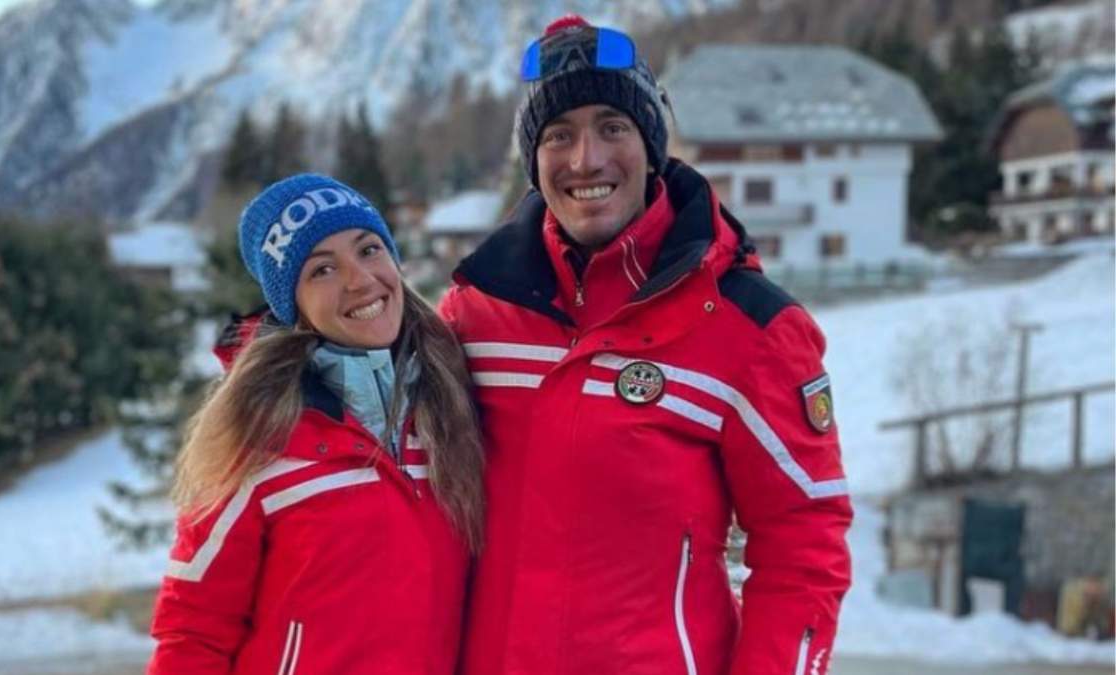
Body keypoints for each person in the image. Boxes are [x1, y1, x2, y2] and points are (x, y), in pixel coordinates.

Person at [439, 15, 853, 675]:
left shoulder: (750, 328)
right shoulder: (475, 314)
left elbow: (805, 545)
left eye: (612, 126)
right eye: (559, 135)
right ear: (533, 160)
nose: (586, 160)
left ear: (651, 143)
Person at [147, 174, 484, 674]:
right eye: (322, 270)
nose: (359, 279)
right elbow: (192, 630)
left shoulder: (452, 403)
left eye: (369, 250)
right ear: (293, 305)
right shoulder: (258, 436)